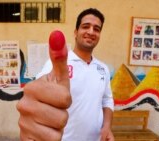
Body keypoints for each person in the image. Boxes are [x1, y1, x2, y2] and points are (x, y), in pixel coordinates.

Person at [17, 8, 114, 141]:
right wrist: (33, 103)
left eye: (96, 29)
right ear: (76, 32)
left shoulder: (103, 68)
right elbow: (40, 92)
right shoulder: (57, 64)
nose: (91, 32)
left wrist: (107, 126)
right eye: (86, 26)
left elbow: (107, 100)